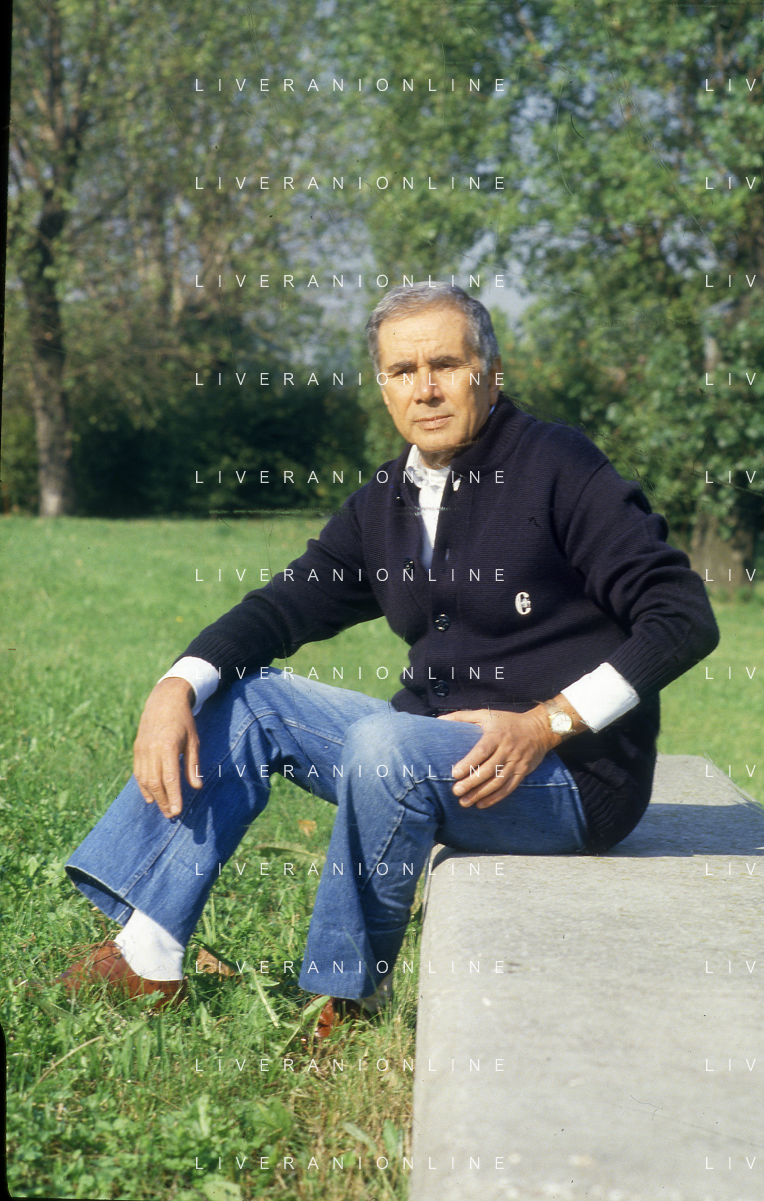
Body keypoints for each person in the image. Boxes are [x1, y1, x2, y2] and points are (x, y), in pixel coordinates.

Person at [59, 283, 719, 1030]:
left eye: (446, 365)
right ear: (384, 388)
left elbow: (682, 617)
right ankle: (148, 954)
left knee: (386, 744)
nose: (425, 388)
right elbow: (283, 606)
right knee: (242, 698)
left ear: (491, 374)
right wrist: (175, 684)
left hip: (565, 778)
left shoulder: (558, 465)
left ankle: (344, 1003)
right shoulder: (387, 499)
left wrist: (546, 724)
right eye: (403, 371)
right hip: (428, 751)